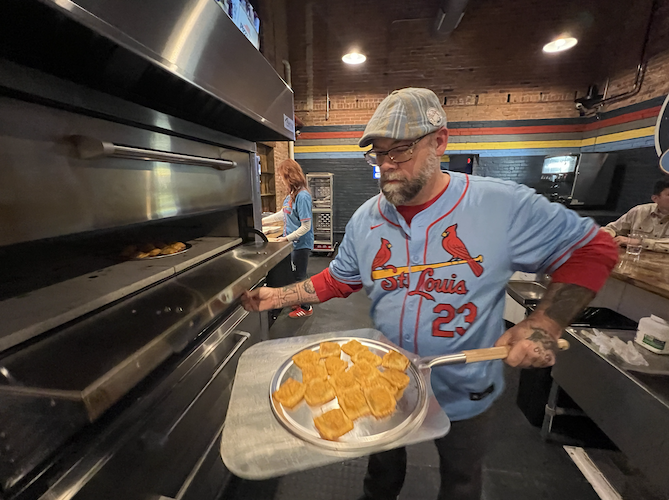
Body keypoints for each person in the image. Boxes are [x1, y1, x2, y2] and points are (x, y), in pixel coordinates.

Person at [244, 88, 618, 500]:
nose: (386, 166)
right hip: (388, 379)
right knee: (381, 475)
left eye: (400, 151)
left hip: (464, 384)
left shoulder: (498, 205)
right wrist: (277, 297)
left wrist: (544, 323)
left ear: (439, 141)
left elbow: (593, 249)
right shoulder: (368, 218)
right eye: (378, 154)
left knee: (460, 480)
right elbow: (338, 278)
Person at [262, 159, 315, 318]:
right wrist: (262, 221)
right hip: (292, 243)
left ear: (289, 176)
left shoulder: (303, 196)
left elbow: (306, 226)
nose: (280, 179)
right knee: (293, 275)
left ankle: (306, 307)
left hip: (300, 244)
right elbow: (283, 213)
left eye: (281, 176)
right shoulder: (291, 195)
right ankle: (298, 300)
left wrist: (286, 239)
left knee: (300, 276)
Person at [601, 177, 669, 253]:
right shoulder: (639, 211)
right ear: (655, 198)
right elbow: (613, 229)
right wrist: (602, 236)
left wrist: (640, 242)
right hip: (633, 260)